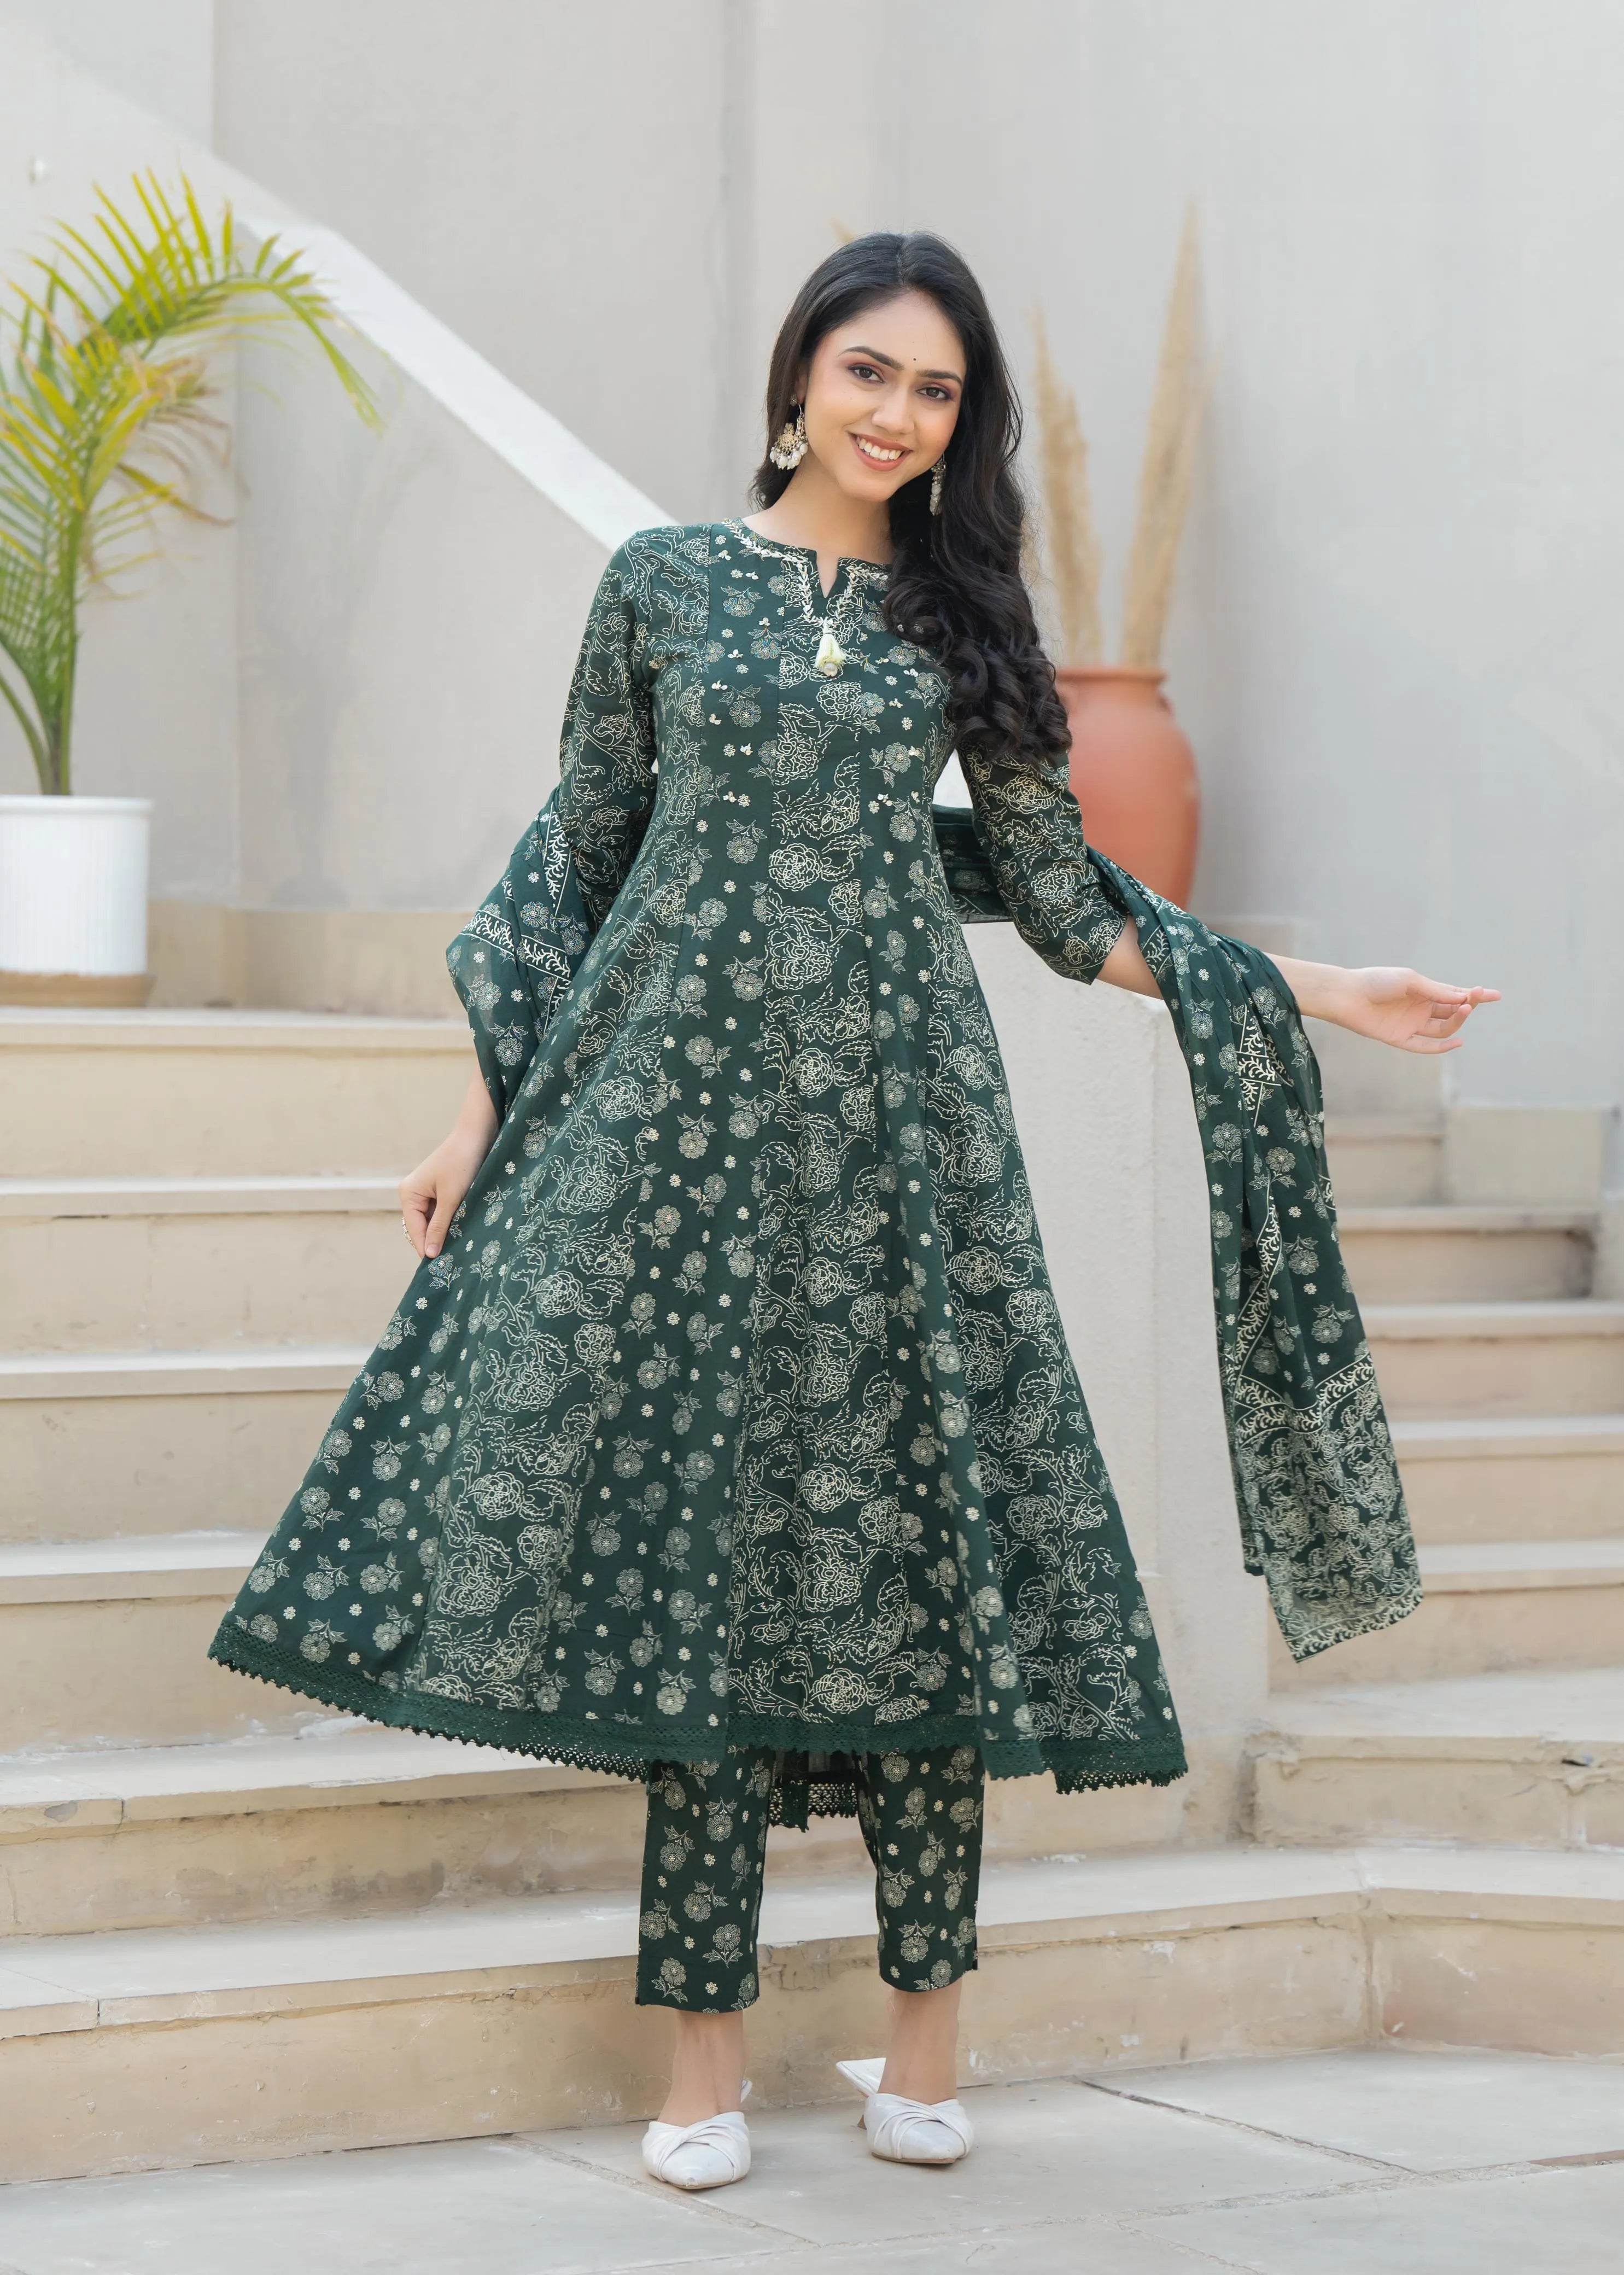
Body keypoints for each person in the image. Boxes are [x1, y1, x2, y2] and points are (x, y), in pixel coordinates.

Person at [210, 231, 1497, 2194]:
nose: (896, 416)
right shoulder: (664, 583)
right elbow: (577, 852)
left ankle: (925, 2040)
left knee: (920, 1549)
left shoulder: (966, 624)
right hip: (678, 1132)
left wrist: (1317, 990)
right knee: (706, 1563)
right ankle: (705, 2060)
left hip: (902, 1135)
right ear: (799, 369)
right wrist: (479, 1108)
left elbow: (1062, 904)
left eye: (936, 392)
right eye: (868, 372)